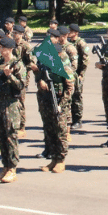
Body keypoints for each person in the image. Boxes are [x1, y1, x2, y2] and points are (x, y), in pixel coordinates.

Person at [0, 36, 26, 183]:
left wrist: (10, 76)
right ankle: (5, 166)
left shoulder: (18, 65)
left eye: (3, 48)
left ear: (10, 49)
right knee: (1, 136)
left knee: (10, 136)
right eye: (0, 48)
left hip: (11, 105)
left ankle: (12, 168)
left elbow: (21, 86)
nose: (1, 51)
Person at [38, 29, 75, 173]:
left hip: (60, 104)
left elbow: (69, 89)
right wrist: (41, 82)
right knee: (50, 131)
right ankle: (53, 158)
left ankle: (61, 160)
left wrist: (61, 104)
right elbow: (39, 77)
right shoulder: (46, 67)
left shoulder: (65, 68)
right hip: (47, 102)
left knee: (60, 133)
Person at [66, 23, 90, 130]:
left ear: (76, 33)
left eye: (70, 31)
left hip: (77, 74)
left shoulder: (81, 43)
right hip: (70, 73)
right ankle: (70, 118)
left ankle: (78, 120)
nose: (68, 33)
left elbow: (85, 59)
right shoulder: (69, 43)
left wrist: (81, 74)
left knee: (77, 96)